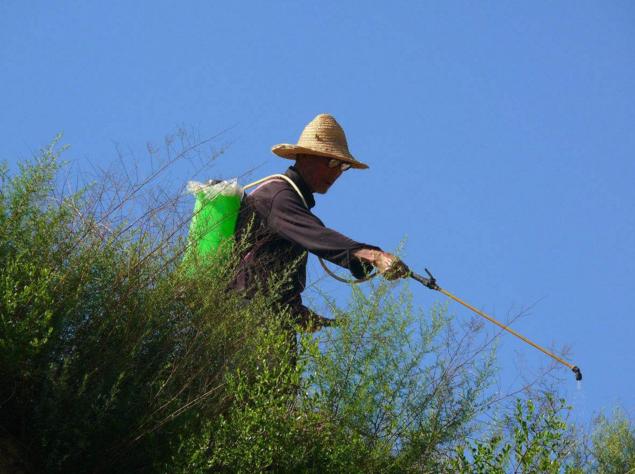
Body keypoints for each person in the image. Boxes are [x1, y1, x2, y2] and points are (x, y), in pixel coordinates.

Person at [230, 113, 410, 333]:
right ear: (304, 156)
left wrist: (296, 313)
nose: (336, 172)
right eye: (331, 162)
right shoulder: (279, 196)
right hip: (247, 317)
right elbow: (316, 235)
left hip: (263, 318)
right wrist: (374, 256)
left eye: (343, 166)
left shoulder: (291, 200)